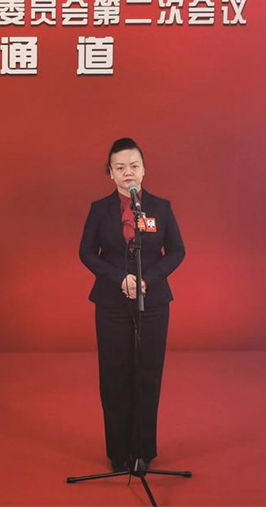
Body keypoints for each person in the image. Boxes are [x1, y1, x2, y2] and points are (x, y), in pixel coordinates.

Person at [78, 137, 185, 471]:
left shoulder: (161, 208)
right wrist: (118, 278)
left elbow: (177, 251)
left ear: (144, 170)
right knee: (115, 376)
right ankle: (118, 453)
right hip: (112, 303)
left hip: (153, 304)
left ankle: (142, 453)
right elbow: (86, 252)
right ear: (110, 173)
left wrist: (147, 279)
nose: (128, 173)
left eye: (134, 166)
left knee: (148, 374)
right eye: (120, 167)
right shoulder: (99, 210)